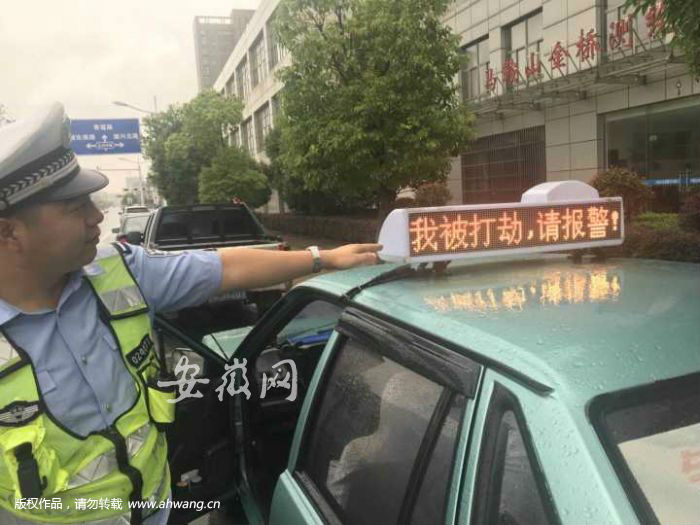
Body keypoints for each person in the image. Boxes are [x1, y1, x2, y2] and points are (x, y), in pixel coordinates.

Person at [0, 103, 381, 525]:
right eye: (75, 207)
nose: (96, 216)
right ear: (8, 230)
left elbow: (225, 268)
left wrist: (323, 258)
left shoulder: (117, 272)